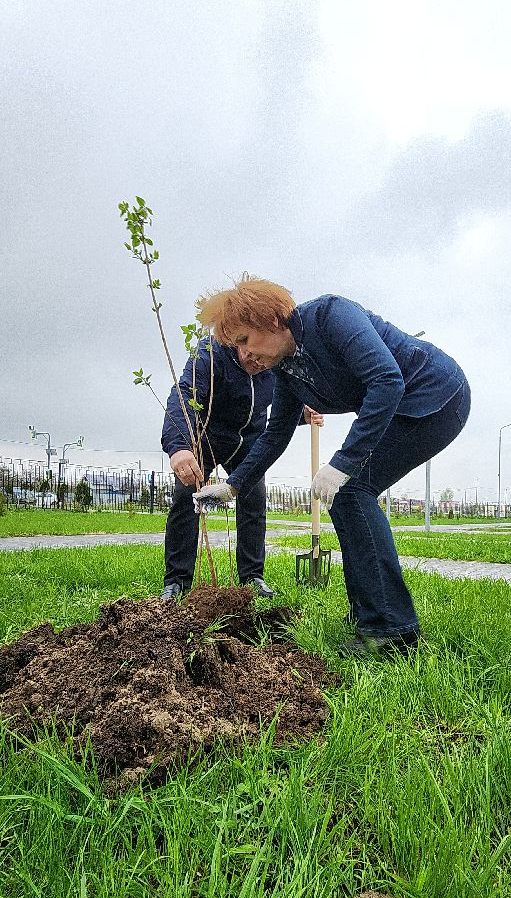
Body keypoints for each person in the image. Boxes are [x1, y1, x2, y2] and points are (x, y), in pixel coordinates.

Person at [192, 277, 470, 655]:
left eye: (243, 340)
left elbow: (387, 381)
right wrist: (233, 485)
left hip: (436, 396)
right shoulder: (286, 370)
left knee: (351, 489)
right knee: (348, 495)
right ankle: (370, 617)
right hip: (404, 408)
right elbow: (276, 434)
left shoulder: (330, 316)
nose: (243, 355)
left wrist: (343, 464)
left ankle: (391, 630)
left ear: (270, 320)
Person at [160, 336, 321, 599]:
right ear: (237, 337)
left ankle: (252, 577)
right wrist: (179, 447)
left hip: (248, 441)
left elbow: (280, 408)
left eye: (263, 358)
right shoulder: (210, 353)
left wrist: (299, 414)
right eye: (250, 353)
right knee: (185, 497)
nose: (256, 362)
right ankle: (177, 581)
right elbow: (184, 395)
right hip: (205, 438)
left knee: (254, 498)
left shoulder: (276, 360)